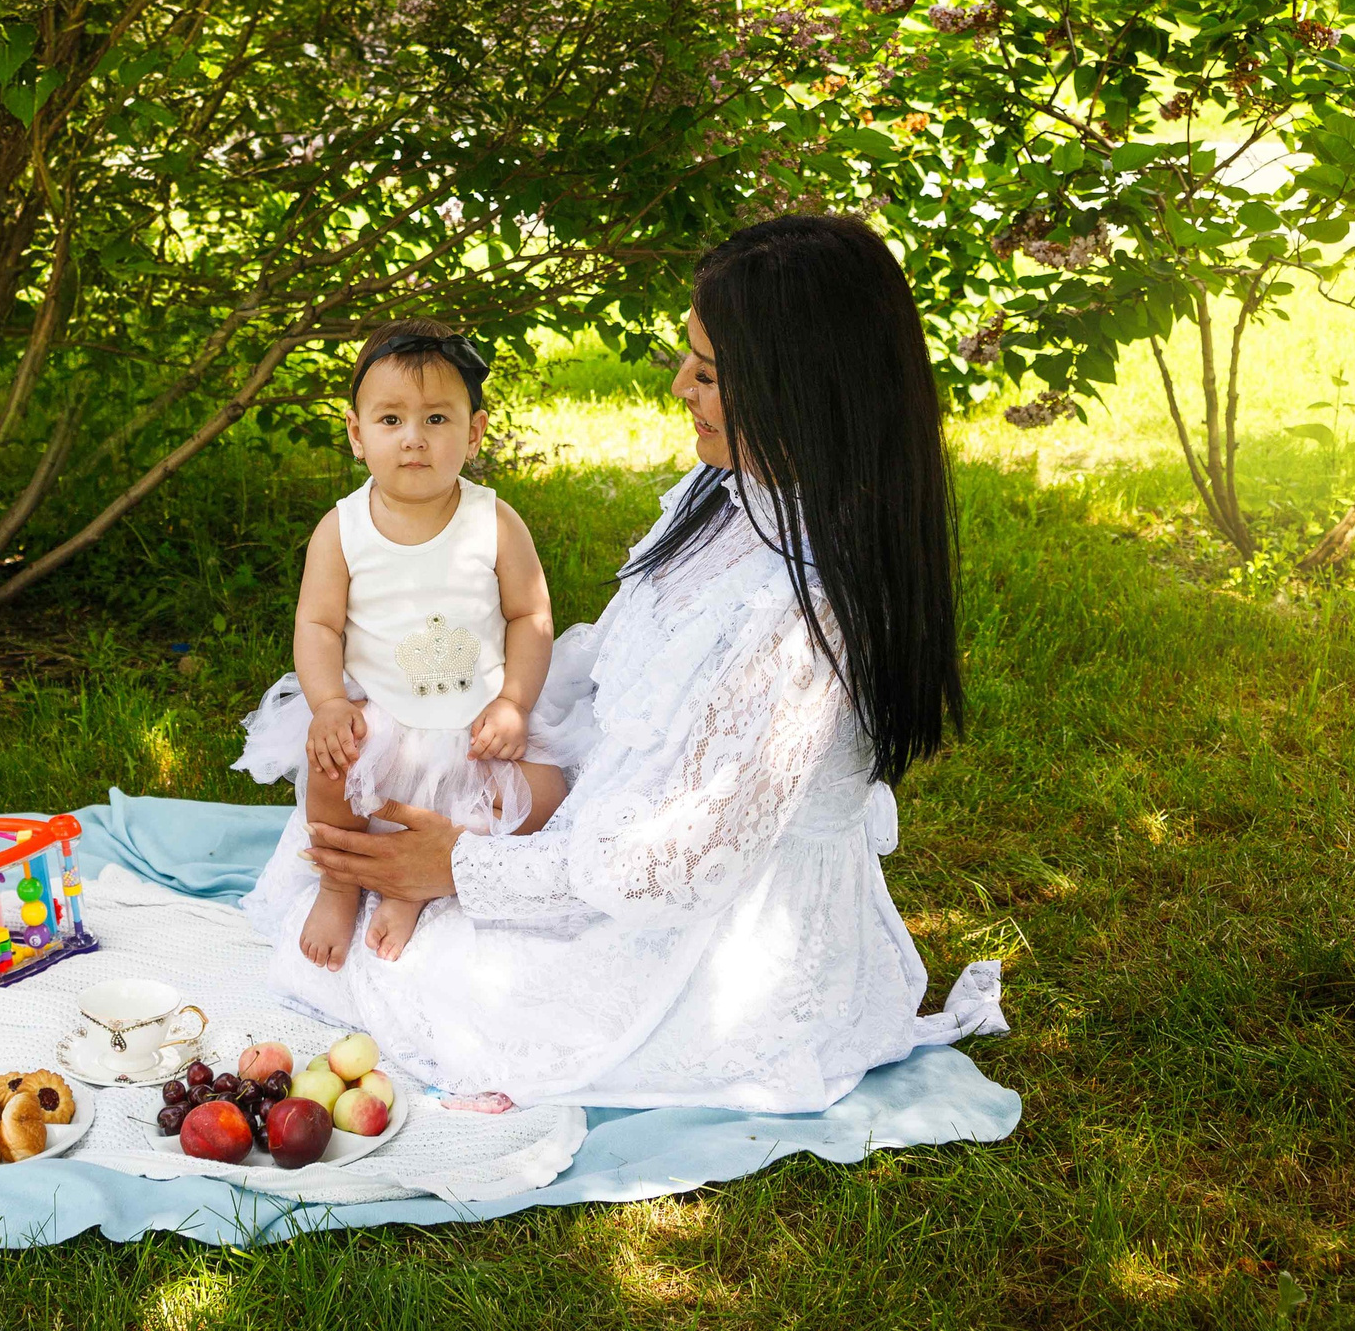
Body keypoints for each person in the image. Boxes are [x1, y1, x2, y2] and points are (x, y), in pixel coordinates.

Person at [253, 216, 1007, 1110]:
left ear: (798, 386)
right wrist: (479, 750)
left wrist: (462, 866)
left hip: (704, 924)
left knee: (429, 981)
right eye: (688, 356)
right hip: (606, 825)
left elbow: (680, 862)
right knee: (351, 861)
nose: (680, 385)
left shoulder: (806, 609)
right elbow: (615, 665)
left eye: (710, 371)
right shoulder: (729, 487)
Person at [233, 320, 581, 971]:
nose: (414, 437)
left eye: (437, 418)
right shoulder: (343, 529)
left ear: (474, 432)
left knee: (548, 791)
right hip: (386, 721)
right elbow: (318, 626)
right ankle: (342, 880)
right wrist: (330, 701)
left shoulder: (495, 521)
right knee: (334, 767)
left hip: (476, 725)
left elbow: (530, 611)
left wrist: (512, 700)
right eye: (391, 419)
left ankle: (427, 871)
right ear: (358, 434)